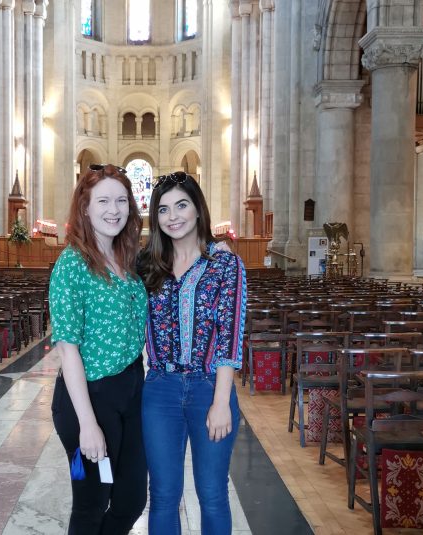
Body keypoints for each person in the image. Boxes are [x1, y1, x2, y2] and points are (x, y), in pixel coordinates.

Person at [137, 171, 247, 535]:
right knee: (164, 495)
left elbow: (230, 336)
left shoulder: (224, 264)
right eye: (164, 209)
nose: (173, 216)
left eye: (181, 205)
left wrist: (221, 402)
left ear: (198, 208)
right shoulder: (146, 265)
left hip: (208, 388)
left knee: (212, 494)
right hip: (160, 388)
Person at [50, 164, 148, 534]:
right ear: (85, 208)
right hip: (86, 400)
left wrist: (213, 246)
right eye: (103, 200)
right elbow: (68, 348)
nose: (114, 209)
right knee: (92, 503)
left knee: (132, 499)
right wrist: (87, 425)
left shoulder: (128, 260)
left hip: (131, 390)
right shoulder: (72, 263)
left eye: (121, 200)